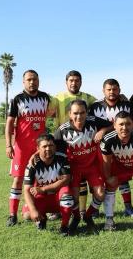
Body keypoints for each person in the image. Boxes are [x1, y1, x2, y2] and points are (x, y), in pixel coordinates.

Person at [5, 69, 55, 227]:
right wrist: (8, 144)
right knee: (18, 179)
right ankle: (12, 215)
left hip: (40, 148)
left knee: (40, 178)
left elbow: (56, 111)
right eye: (29, 79)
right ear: (23, 82)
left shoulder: (45, 98)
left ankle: (37, 208)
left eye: (34, 79)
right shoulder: (17, 99)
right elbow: (9, 124)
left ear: (38, 80)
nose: (32, 82)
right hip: (21, 147)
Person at [54, 100, 113, 234]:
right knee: (74, 198)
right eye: (75, 113)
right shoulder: (62, 131)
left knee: (100, 194)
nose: (79, 116)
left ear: (87, 113)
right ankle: (75, 217)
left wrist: (103, 130)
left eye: (82, 113)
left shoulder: (93, 121)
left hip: (92, 167)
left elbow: (113, 125)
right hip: (74, 168)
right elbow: (51, 147)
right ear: (70, 114)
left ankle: (87, 216)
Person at [90, 78, 133, 217]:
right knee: (99, 179)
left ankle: (128, 207)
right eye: (109, 89)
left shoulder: (127, 105)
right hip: (101, 148)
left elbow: (132, 123)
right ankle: (96, 209)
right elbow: (90, 125)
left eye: (115, 89)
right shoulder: (95, 106)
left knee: (122, 177)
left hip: (122, 147)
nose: (112, 92)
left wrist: (105, 129)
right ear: (103, 91)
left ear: (119, 90)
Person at [53, 70, 98, 220]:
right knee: (63, 177)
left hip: (84, 139)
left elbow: (102, 102)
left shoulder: (88, 97)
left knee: (82, 181)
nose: (74, 83)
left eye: (77, 80)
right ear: (66, 82)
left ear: (81, 82)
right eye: (71, 80)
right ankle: (58, 208)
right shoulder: (57, 97)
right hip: (64, 141)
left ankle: (82, 211)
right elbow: (47, 109)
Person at [99, 111, 133, 231]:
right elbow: (106, 162)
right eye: (121, 124)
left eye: (128, 124)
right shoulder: (107, 140)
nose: (124, 127)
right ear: (114, 125)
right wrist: (108, 178)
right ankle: (109, 219)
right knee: (110, 185)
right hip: (119, 166)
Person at [21, 134, 74, 236]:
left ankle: (64, 226)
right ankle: (42, 219)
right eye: (44, 146)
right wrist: (33, 210)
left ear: (55, 146)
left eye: (51, 145)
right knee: (27, 214)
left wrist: (44, 188)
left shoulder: (62, 158)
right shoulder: (32, 165)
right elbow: (27, 190)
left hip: (57, 196)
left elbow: (66, 180)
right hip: (42, 198)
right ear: (38, 148)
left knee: (67, 196)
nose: (48, 148)